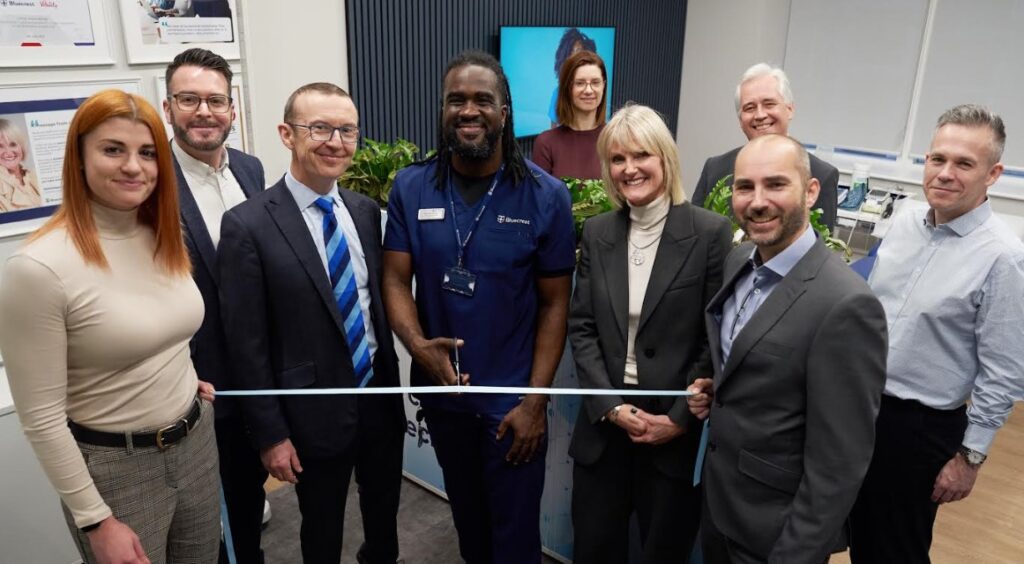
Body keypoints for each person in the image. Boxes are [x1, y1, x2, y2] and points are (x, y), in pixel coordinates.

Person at [0, 89, 220, 564]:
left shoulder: (163, 234)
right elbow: (39, 416)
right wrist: (94, 518)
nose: (133, 167)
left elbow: (161, 330)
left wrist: (178, 380)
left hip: (196, 440)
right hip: (117, 470)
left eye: (146, 153)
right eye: (112, 149)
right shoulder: (38, 268)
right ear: (78, 159)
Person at [382, 50, 575, 563]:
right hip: (444, 400)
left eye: (482, 100)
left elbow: (557, 305)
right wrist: (418, 346)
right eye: (456, 100)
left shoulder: (545, 196)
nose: (468, 110)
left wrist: (535, 402)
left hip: (511, 406)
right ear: (442, 110)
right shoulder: (411, 185)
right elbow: (396, 280)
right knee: (469, 524)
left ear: (505, 110)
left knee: (514, 539)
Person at [218, 82, 405, 564]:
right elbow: (247, 343)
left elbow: (371, 306)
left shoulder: (365, 212)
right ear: (287, 134)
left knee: (385, 518)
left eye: (346, 130)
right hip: (310, 415)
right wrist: (271, 435)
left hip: (379, 399)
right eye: (319, 128)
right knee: (322, 531)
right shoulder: (248, 224)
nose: (334, 141)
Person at [687, 134, 887, 564]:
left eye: (776, 184)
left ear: (811, 192)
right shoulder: (738, 259)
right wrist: (719, 389)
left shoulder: (847, 305)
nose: (757, 201)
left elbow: (839, 465)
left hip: (775, 535)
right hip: (720, 507)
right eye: (745, 187)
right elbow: (751, 365)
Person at [849, 104, 1024, 564]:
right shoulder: (905, 219)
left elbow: (1004, 371)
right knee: (837, 529)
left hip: (917, 428)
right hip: (856, 404)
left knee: (893, 549)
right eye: (937, 159)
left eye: (964, 163)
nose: (945, 173)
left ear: (993, 173)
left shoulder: (1004, 258)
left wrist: (970, 458)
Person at [567, 104, 732, 563]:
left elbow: (713, 336)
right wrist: (610, 406)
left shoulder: (709, 233)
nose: (629, 168)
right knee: (594, 550)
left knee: (665, 552)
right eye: (617, 159)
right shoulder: (597, 232)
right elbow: (582, 328)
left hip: (672, 435)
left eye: (641, 155)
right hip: (605, 432)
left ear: (665, 158)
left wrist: (679, 417)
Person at [162, 48, 268, 564]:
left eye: (215, 100)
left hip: (256, 373)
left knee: (248, 498)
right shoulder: (150, 183)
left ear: (233, 109)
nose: (203, 111)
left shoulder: (250, 169)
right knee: (204, 523)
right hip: (194, 382)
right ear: (167, 108)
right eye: (189, 99)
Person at [691, 63, 839, 231]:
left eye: (769, 104)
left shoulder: (822, 174)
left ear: (789, 109)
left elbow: (821, 245)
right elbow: (695, 235)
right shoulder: (715, 169)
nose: (760, 115)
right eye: (749, 108)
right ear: (740, 120)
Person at [532, 50, 608, 180]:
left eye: (595, 82)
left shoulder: (616, 139)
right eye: (580, 83)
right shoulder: (546, 143)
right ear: (568, 88)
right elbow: (539, 198)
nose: (589, 90)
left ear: (603, 86)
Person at [547, 28, 597, 126]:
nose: (575, 58)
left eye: (578, 52)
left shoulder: (592, 91)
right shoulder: (558, 94)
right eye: (571, 53)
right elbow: (553, 131)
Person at [0, 118, 42, 211]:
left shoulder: (34, 175)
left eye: (13, 144)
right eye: (0, 146)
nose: (8, 152)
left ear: (21, 146)